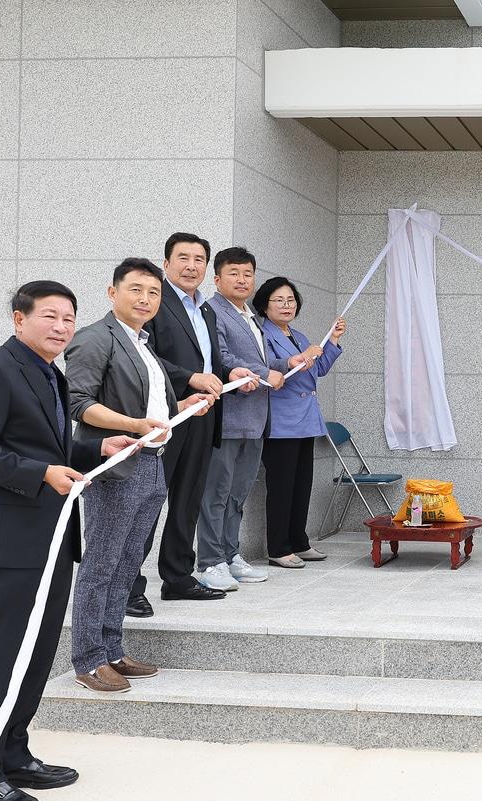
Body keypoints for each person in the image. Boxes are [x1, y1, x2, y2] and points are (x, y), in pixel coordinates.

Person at [0, 281, 137, 801]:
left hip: (50, 535)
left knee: (35, 653)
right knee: (3, 655)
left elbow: (42, 445)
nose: (61, 327)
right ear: (18, 319)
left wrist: (96, 445)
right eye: (50, 316)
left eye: (69, 319)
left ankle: (12, 754)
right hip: (7, 540)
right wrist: (42, 474)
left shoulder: (50, 373)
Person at [65, 258, 215, 692]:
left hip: (151, 462)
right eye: (135, 289)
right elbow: (78, 402)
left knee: (128, 563)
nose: (145, 298)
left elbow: (150, 409)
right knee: (102, 564)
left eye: (152, 292)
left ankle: (112, 650)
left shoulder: (142, 343)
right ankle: (88, 659)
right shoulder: (95, 338)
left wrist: (180, 408)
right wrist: (132, 427)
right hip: (116, 465)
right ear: (113, 293)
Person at [128, 232, 257, 612]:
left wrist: (226, 374)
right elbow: (143, 355)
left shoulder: (206, 309)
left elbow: (209, 361)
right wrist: (190, 378)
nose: (191, 266)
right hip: (164, 416)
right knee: (148, 504)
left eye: (199, 259)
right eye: (183, 258)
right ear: (166, 263)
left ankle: (178, 577)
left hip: (202, 415)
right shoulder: (155, 302)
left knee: (187, 501)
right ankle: (130, 586)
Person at [198, 247, 303, 590]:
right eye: (234, 273)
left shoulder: (251, 319)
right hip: (228, 419)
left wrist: (287, 365)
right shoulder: (211, 311)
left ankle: (230, 555)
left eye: (247, 274)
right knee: (217, 492)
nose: (242, 280)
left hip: (255, 419)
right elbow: (222, 356)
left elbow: (263, 362)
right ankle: (211, 561)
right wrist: (261, 372)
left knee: (237, 494)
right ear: (217, 279)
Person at [255, 277, 346, 567]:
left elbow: (317, 368)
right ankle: (278, 548)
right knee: (281, 486)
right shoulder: (261, 334)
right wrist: (298, 358)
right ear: (265, 305)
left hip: (305, 420)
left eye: (291, 300)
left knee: (301, 484)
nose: (286, 305)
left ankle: (299, 540)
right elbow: (267, 367)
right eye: (279, 300)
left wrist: (332, 341)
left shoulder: (299, 335)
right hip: (281, 420)